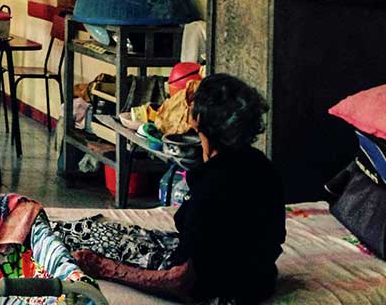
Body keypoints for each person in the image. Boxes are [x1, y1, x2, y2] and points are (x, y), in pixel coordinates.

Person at [71, 74, 285, 304]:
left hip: (218, 290)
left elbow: (179, 280)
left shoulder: (211, 186)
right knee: (108, 232)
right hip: (259, 281)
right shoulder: (261, 164)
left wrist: (105, 268)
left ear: (199, 118)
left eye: (193, 102)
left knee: (83, 235)